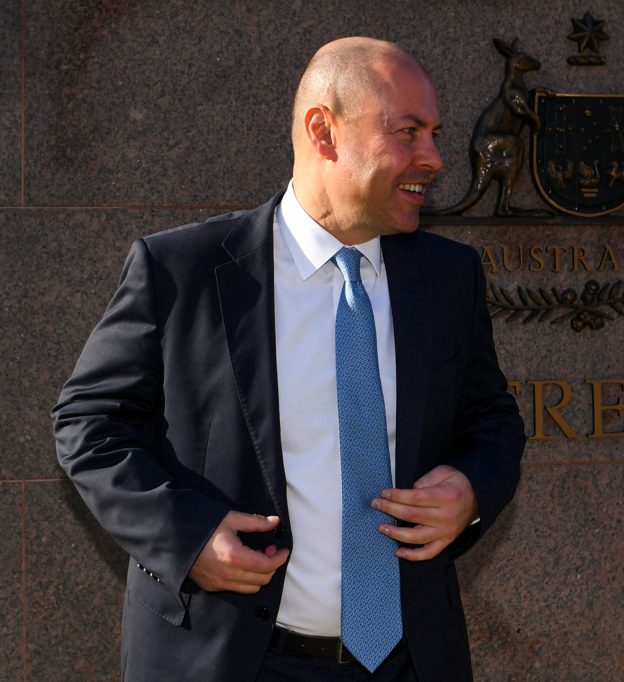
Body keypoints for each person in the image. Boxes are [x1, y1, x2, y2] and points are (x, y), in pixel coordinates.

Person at [51, 37, 525, 682]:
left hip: (411, 659)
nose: (435, 158)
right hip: (228, 660)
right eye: (408, 132)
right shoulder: (182, 270)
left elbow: (492, 419)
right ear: (323, 132)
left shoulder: (449, 276)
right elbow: (89, 423)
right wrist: (186, 538)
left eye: (435, 133)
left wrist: (470, 489)